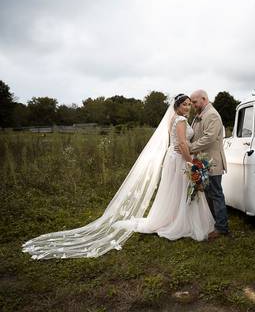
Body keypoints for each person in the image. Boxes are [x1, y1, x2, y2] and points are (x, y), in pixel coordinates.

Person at [22, 93, 214, 260]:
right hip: (180, 158)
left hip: (174, 158)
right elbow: (181, 144)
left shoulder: (175, 119)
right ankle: (176, 222)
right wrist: (191, 163)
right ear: (177, 106)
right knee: (179, 189)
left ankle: (173, 219)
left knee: (175, 190)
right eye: (184, 104)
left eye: (190, 104)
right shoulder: (180, 120)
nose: (188, 107)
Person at [188, 89, 229, 239]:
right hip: (203, 161)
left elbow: (209, 138)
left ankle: (222, 228)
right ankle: (213, 223)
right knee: (207, 194)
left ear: (204, 99)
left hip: (212, 161)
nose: (192, 105)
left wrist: (190, 148)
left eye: (194, 102)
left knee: (216, 194)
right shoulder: (199, 115)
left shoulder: (212, 115)